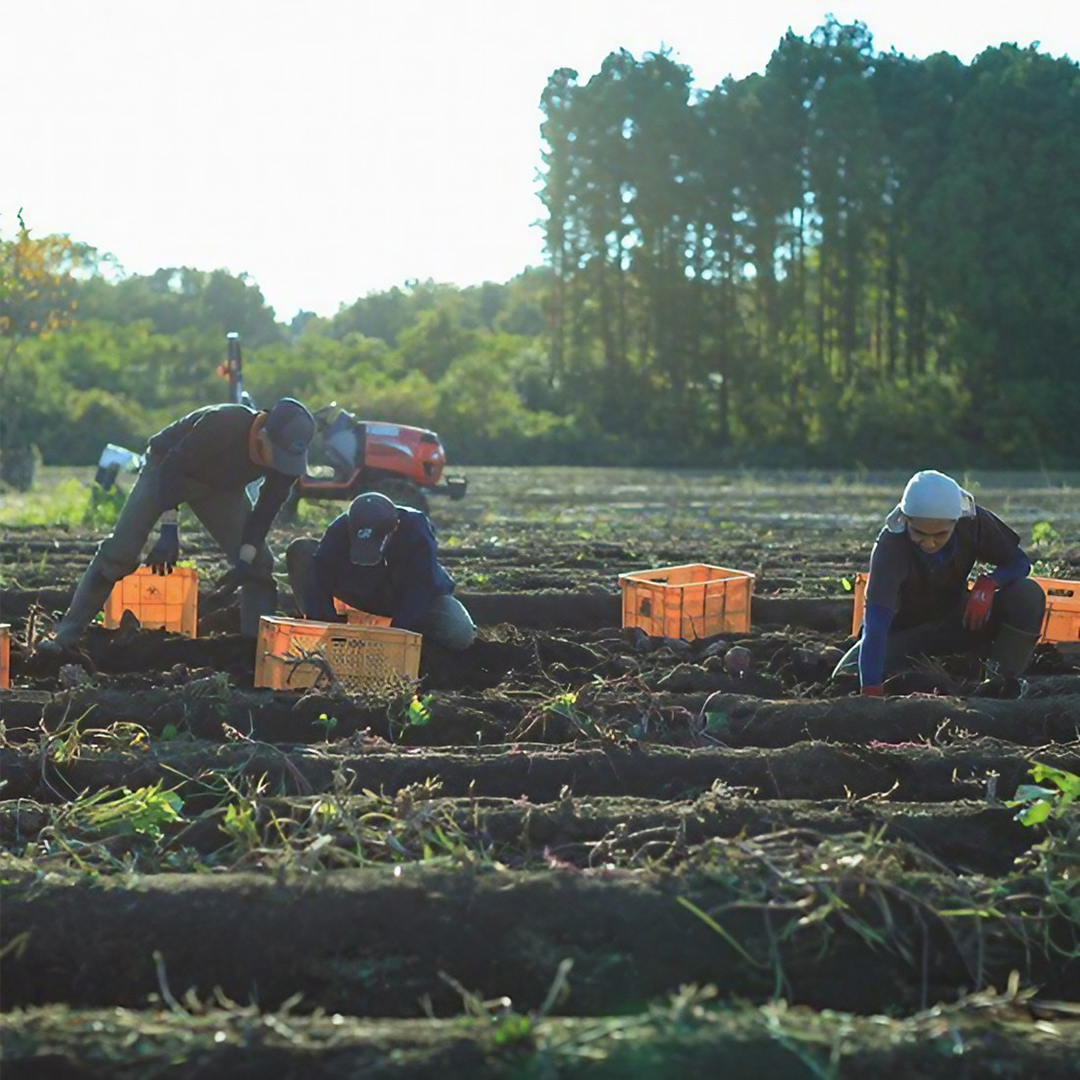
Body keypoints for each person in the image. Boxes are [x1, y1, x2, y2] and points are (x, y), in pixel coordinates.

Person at [42, 397, 315, 650]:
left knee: (259, 565)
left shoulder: (286, 466)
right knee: (120, 553)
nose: (282, 466)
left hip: (220, 488)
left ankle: (257, 653)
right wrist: (169, 530)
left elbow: (265, 511)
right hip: (167, 469)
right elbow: (173, 468)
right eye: (278, 456)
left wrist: (244, 561)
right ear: (262, 433)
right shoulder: (224, 423)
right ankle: (65, 636)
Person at [833, 469, 1045, 695]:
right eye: (919, 533)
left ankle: (999, 682)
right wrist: (871, 687)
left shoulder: (973, 523)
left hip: (957, 622)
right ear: (906, 520)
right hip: (905, 635)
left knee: (1027, 594)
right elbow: (876, 626)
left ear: (956, 521)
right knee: (847, 675)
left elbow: (1019, 562)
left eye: (940, 535)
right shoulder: (890, 547)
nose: (929, 543)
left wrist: (990, 583)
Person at [286, 491, 476, 650]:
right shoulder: (340, 528)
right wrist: (328, 628)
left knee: (458, 631)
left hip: (406, 596)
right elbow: (320, 574)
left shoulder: (415, 529)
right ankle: (323, 632)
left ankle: (422, 649)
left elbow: (420, 588)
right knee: (302, 551)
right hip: (363, 590)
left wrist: (393, 635)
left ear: (394, 529)